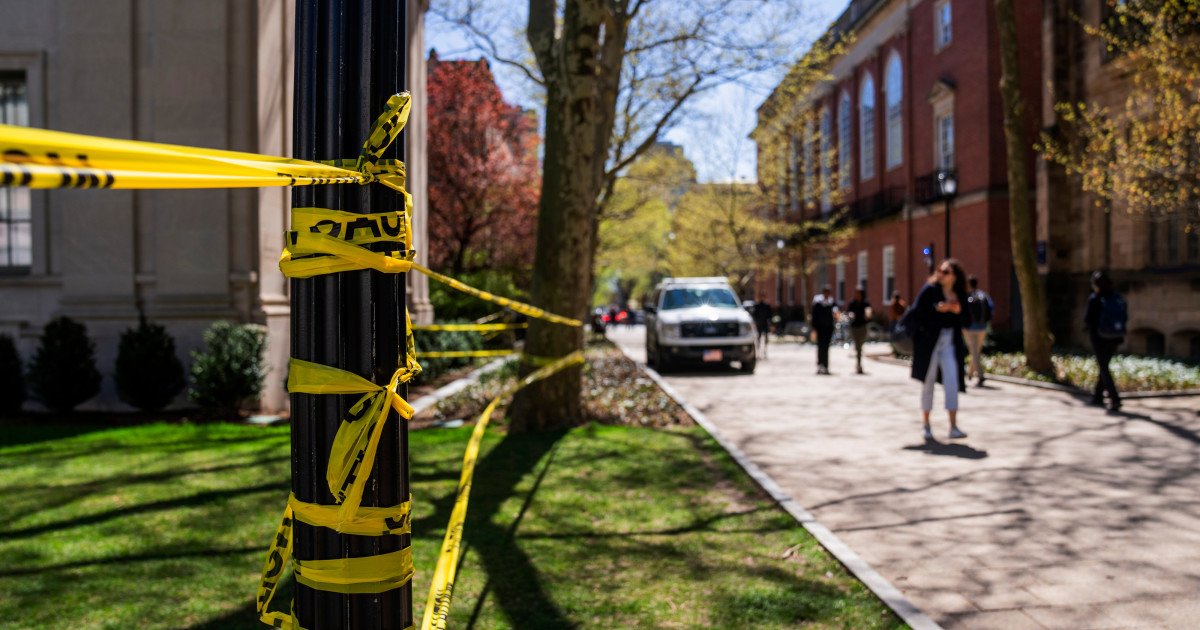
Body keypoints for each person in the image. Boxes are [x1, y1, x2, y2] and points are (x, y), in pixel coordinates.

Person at [909, 259, 970, 441]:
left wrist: (957, 310)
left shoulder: (959, 293)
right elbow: (917, 311)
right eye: (940, 271)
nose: (941, 274)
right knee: (928, 382)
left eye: (946, 271)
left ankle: (953, 426)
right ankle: (926, 425)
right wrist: (937, 310)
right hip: (930, 343)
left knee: (952, 381)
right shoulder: (930, 290)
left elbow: (967, 319)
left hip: (950, 341)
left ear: (954, 276)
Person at [1084, 270, 1125, 411]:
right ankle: (1097, 397)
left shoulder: (1095, 298)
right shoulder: (1116, 297)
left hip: (1099, 338)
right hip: (1115, 337)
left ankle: (1115, 399)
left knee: (1104, 368)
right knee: (1104, 366)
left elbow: (1088, 319)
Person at [963, 275, 993, 386]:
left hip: (969, 329)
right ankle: (970, 373)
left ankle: (980, 376)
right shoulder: (983, 295)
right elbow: (991, 308)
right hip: (982, 328)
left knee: (974, 352)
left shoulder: (966, 296)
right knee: (975, 352)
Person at [811, 286, 837, 375]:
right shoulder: (818, 303)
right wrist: (814, 328)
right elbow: (814, 316)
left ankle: (826, 366)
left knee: (826, 348)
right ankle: (820, 365)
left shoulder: (832, 303)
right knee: (820, 347)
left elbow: (836, 315)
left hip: (828, 329)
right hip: (819, 328)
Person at [846, 286, 872, 374]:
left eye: (857, 293)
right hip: (854, 327)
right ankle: (859, 364)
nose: (856, 295)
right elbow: (848, 312)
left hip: (863, 327)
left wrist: (868, 316)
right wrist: (850, 315)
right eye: (855, 293)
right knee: (858, 346)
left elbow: (869, 313)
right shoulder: (852, 303)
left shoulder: (865, 303)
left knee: (860, 346)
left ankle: (859, 363)